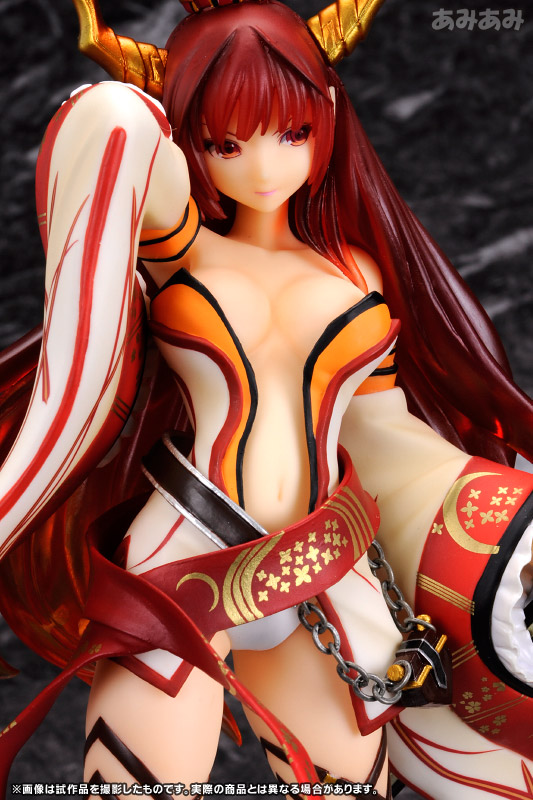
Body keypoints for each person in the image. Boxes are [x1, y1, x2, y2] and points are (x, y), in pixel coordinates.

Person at [0, 1, 531, 797]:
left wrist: (494, 506)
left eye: (290, 133)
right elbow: (124, 138)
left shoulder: (356, 271)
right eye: (225, 142)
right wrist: (120, 110)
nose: (261, 168)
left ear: (327, 117)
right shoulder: (180, 251)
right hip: (186, 559)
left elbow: (383, 431)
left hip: (322, 567)